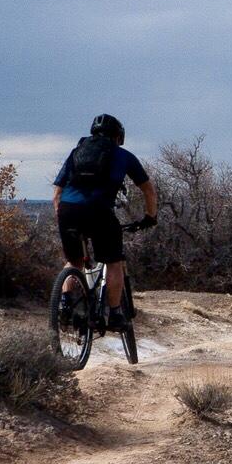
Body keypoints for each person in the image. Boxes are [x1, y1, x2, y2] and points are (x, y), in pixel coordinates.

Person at [51, 114, 158, 330]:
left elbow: (57, 193)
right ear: (118, 137)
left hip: (68, 210)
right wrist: (150, 217)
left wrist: (62, 215)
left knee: (74, 261)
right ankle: (116, 314)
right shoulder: (123, 156)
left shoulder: (76, 153)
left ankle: (64, 304)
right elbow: (148, 190)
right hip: (99, 211)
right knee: (113, 262)